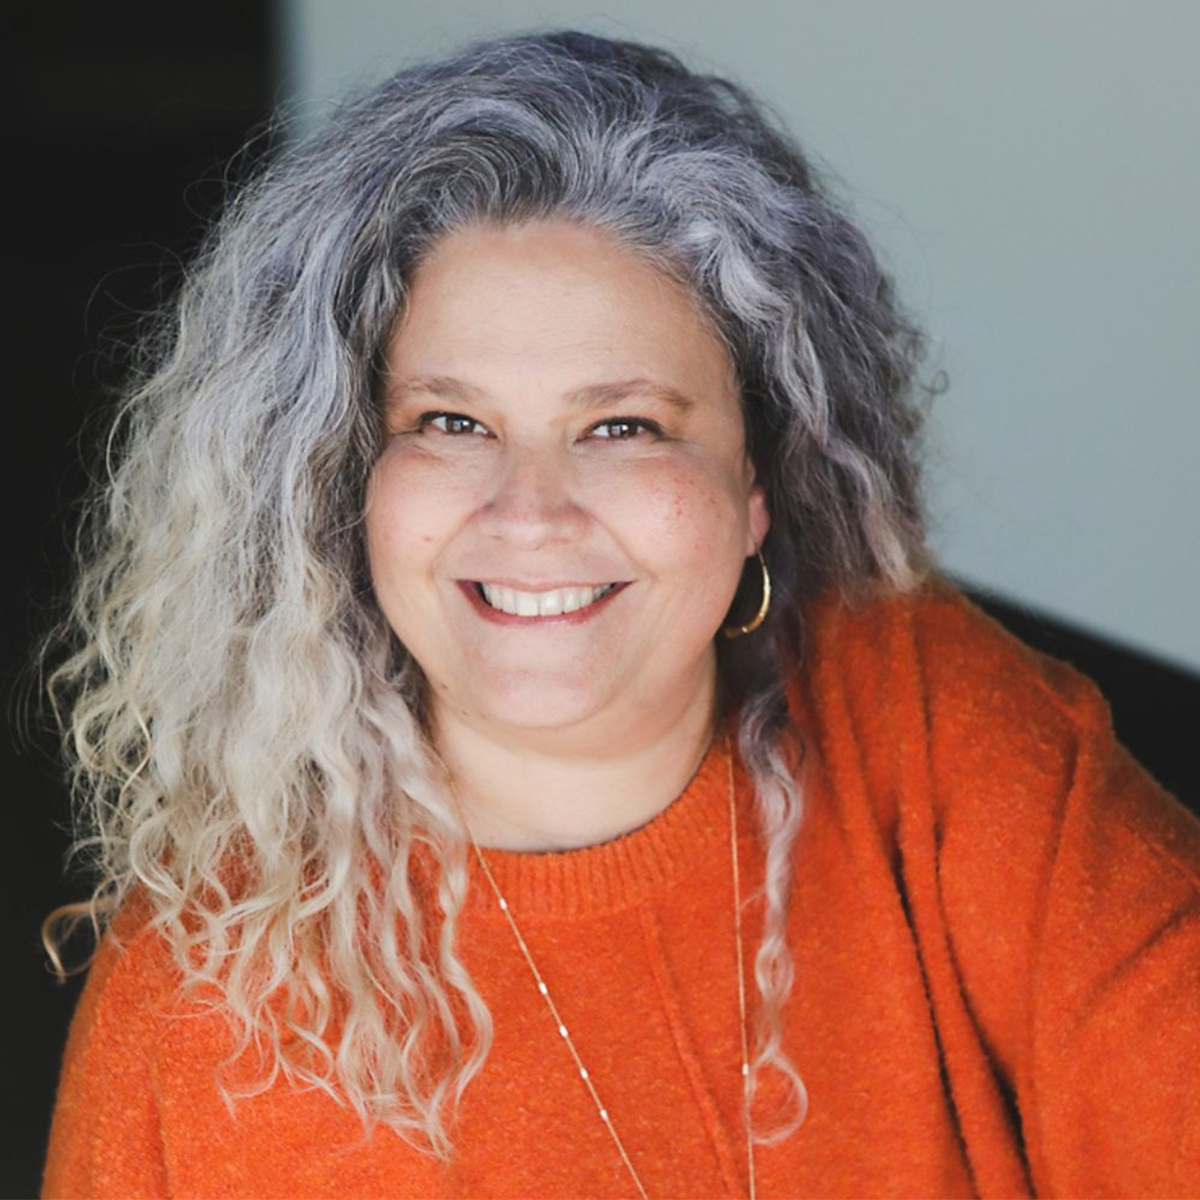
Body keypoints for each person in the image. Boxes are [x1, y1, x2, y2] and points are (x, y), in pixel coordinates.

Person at [39, 28, 1199, 1200]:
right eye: (451, 421)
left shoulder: (925, 724)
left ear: (756, 487)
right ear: (347, 486)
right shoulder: (201, 1002)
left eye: (623, 424)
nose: (530, 511)